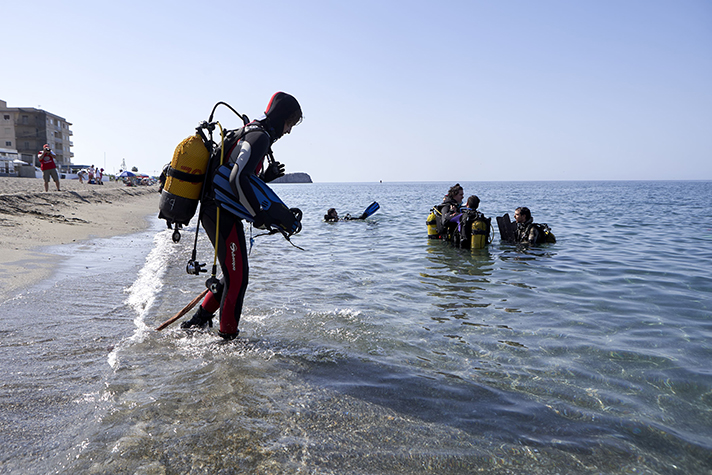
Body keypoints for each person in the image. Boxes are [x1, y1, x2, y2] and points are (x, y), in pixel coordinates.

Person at [180, 92, 303, 340]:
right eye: (290, 123)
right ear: (281, 117)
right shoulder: (259, 137)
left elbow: (235, 175)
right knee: (238, 279)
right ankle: (227, 341)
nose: (288, 131)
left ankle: (197, 322)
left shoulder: (251, 131)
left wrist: (264, 178)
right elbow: (237, 179)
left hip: (217, 211)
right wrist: (258, 216)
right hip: (220, 214)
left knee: (233, 275)